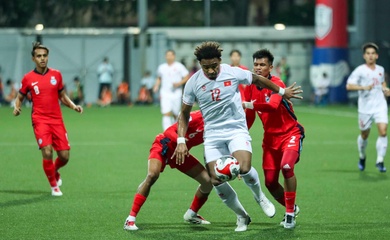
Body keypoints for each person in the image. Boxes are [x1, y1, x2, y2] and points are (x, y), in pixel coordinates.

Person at [173, 41, 303, 232]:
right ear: (200, 65)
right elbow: (184, 113)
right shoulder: (193, 82)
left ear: (220, 60)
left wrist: (282, 92)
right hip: (213, 136)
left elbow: (258, 80)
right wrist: (181, 140)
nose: (210, 70)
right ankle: (242, 216)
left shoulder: (232, 72)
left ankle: (260, 197)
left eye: (214, 66)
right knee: (216, 180)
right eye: (206, 67)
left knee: (244, 167)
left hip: (235, 129)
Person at [242, 49, 305, 229]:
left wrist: (247, 104)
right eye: (256, 64)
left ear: (270, 67)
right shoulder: (251, 86)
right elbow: (250, 115)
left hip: (290, 134)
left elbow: (272, 106)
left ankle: (290, 215)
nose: (258, 68)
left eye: (262, 65)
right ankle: (291, 207)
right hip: (270, 140)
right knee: (270, 182)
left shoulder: (277, 83)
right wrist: (243, 136)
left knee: (286, 167)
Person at [13, 42, 83, 196]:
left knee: (64, 156)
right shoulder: (28, 78)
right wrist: (16, 107)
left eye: (44, 56)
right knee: (47, 151)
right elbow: (20, 97)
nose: (42, 59)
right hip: (40, 120)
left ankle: (55, 169)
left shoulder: (56, 75)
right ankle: (54, 187)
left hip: (57, 120)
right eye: (39, 56)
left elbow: (62, 96)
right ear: (33, 59)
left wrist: (73, 106)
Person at [124, 110, 212, 231]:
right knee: (152, 175)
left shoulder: (217, 126)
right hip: (164, 145)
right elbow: (169, 131)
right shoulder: (195, 117)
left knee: (207, 181)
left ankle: (191, 214)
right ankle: (130, 219)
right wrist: (180, 141)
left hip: (180, 154)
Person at [346, 42, 390, 172]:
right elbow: (349, 86)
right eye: (368, 53)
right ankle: (362, 156)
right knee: (364, 135)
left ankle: (380, 161)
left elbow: (382, 84)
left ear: (376, 56)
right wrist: (363, 87)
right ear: (364, 56)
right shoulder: (360, 70)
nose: (370, 56)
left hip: (380, 105)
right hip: (365, 108)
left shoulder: (380, 70)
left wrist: (385, 90)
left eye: (372, 54)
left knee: (383, 131)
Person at [153, 50, 190, 131]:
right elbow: (159, 77)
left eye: (171, 55)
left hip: (176, 93)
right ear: (165, 56)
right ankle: (167, 133)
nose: (169, 57)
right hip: (165, 93)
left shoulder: (179, 66)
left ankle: (176, 131)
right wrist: (156, 85)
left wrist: (179, 83)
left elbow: (187, 76)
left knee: (176, 114)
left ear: (174, 56)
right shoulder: (162, 67)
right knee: (166, 113)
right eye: (167, 55)